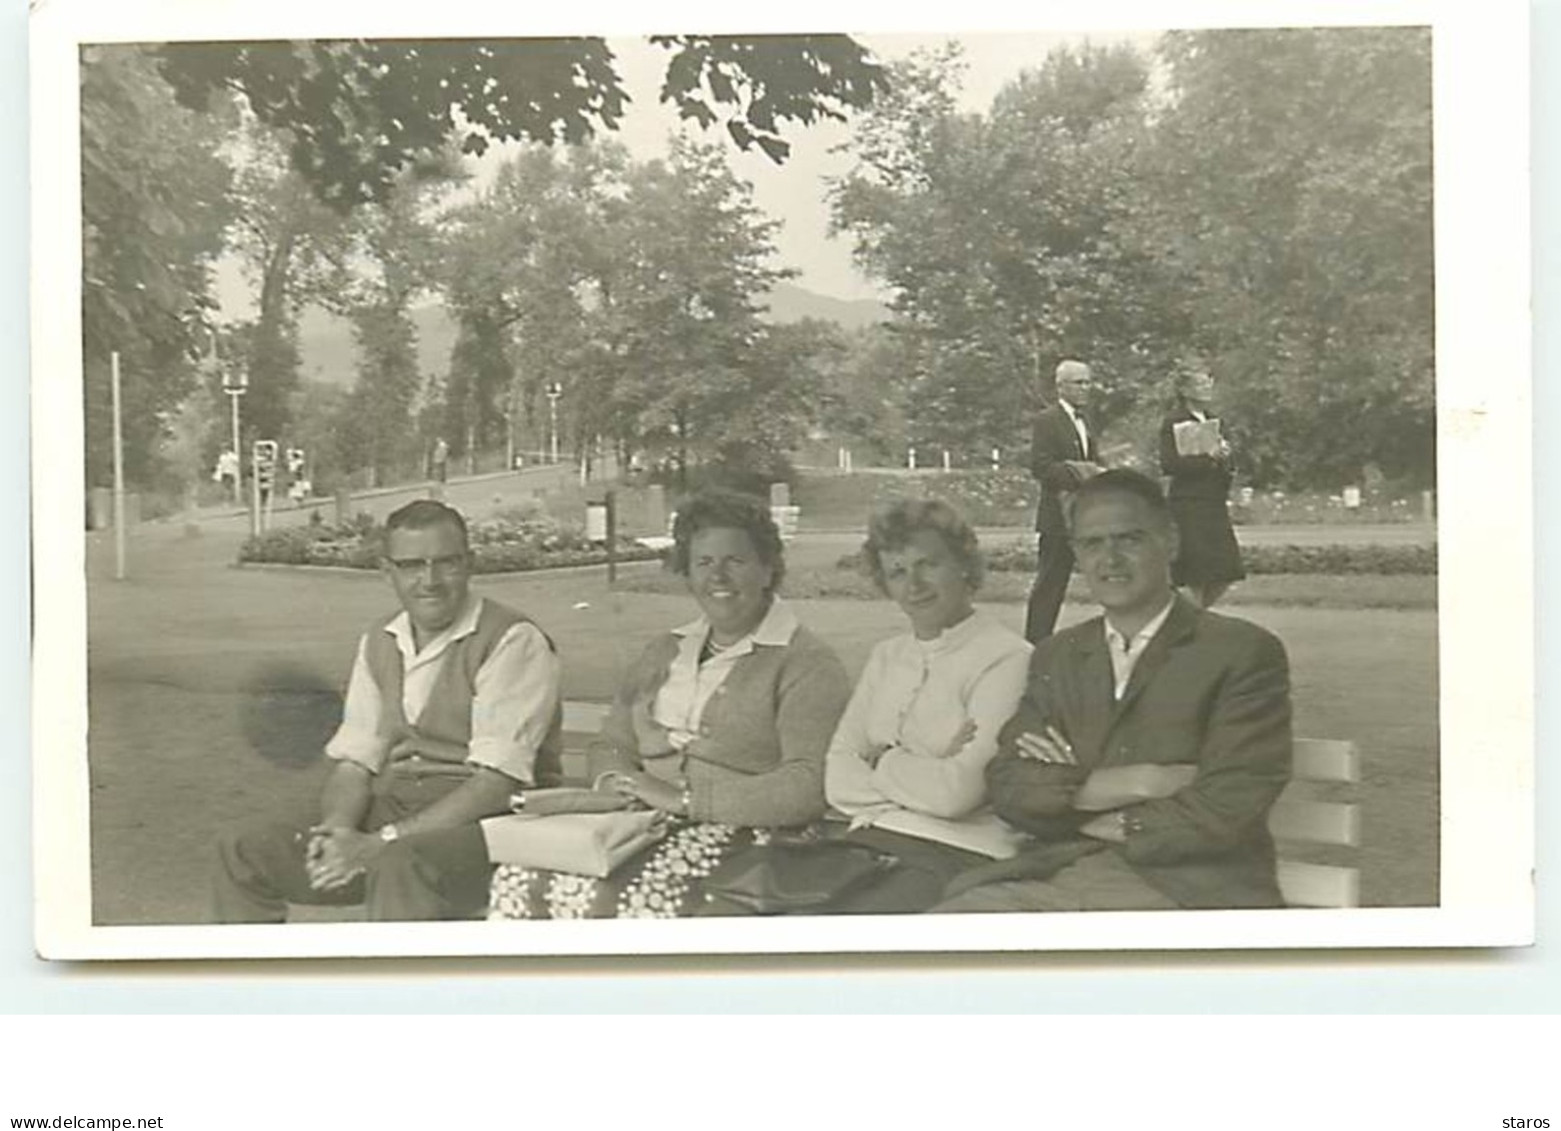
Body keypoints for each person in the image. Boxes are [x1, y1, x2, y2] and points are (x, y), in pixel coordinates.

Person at [935, 469, 1292, 913]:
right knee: (935, 951)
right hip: (1056, 874)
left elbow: (1224, 807)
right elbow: (1011, 786)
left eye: (1130, 539)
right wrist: (1142, 781)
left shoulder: (1240, 652)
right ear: (1077, 556)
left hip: (1189, 892)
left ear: (1172, 542)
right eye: (1092, 543)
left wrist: (1071, 806)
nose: (1110, 559)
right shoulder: (1057, 656)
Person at [486, 488, 851, 919]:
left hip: (756, 838)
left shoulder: (805, 662)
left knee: (632, 896)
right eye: (704, 563)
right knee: (520, 875)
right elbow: (612, 743)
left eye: (735, 561)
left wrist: (682, 800)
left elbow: (807, 785)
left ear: (768, 570)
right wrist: (614, 782)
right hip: (643, 824)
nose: (718, 577)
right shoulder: (664, 651)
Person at [211, 499, 564, 922]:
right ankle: (256, 985)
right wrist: (340, 829)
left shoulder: (512, 640)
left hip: (487, 832)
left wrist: (380, 843)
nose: (429, 581)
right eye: (412, 565)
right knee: (244, 849)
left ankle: (395, 987)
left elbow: (496, 786)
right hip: (395, 819)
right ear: (388, 572)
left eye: (445, 563)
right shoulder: (381, 640)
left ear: (470, 564)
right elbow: (355, 764)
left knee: (400, 864)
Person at [823, 500, 1032, 913]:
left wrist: (880, 760)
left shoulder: (1007, 658)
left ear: (964, 566)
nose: (914, 585)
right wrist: (924, 767)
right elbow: (836, 778)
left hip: (959, 852)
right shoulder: (887, 655)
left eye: (928, 564)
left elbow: (957, 794)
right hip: (870, 839)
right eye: (898, 572)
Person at [1025, 358, 1102, 644]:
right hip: (1058, 515)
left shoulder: (1086, 420)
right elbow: (1040, 466)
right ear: (1060, 386)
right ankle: (1035, 642)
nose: (1085, 388)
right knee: (1050, 583)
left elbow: (1093, 458)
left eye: (1088, 382)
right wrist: (1082, 472)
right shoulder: (1048, 420)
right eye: (1078, 382)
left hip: (1086, 514)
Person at [1159, 367, 1245, 608]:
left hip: (1213, 502)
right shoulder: (1174, 421)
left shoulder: (1213, 419)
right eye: (1200, 384)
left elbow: (1226, 462)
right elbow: (1170, 464)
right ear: (1184, 390)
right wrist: (1208, 458)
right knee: (1195, 573)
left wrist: (1226, 458)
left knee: (1226, 570)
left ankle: (1192, 616)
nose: (1207, 388)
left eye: (1209, 383)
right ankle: (1188, 621)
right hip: (1189, 503)